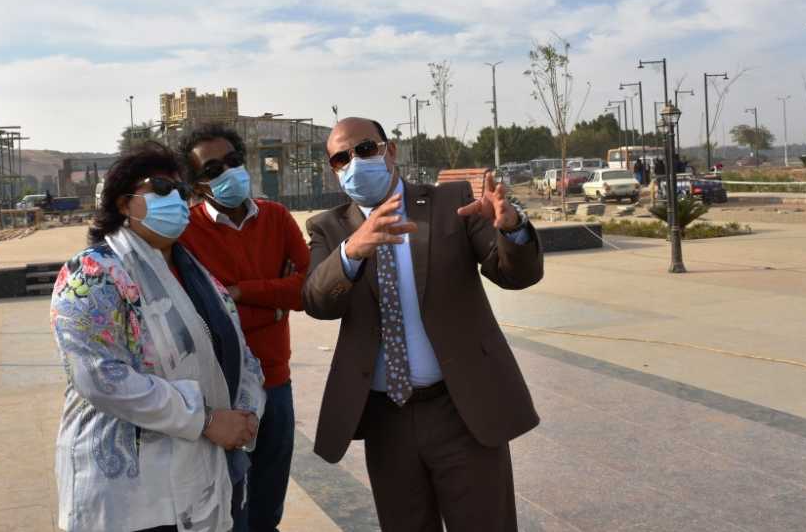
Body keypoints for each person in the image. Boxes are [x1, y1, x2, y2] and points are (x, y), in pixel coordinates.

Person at [303, 117, 544, 531]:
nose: (354, 162)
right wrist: (351, 252)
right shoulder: (328, 227)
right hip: (387, 419)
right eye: (341, 158)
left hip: (461, 409)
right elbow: (316, 301)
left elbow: (514, 274)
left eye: (364, 149)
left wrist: (512, 228)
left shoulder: (451, 202)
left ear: (390, 151)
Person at [50, 141, 266, 532]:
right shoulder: (93, 274)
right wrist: (205, 420)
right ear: (123, 203)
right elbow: (99, 377)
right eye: (162, 188)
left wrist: (247, 412)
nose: (176, 200)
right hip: (131, 496)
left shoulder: (196, 273)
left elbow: (240, 350)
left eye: (181, 191)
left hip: (207, 467)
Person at [177, 123, 309, 532]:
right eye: (213, 169)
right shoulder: (185, 233)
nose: (227, 172)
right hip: (222, 394)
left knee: (268, 508)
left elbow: (308, 289)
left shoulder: (276, 217)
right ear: (197, 185)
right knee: (230, 508)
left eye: (232, 161)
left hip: (276, 381)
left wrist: (239, 292)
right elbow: (203, 316)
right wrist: (274, 305)